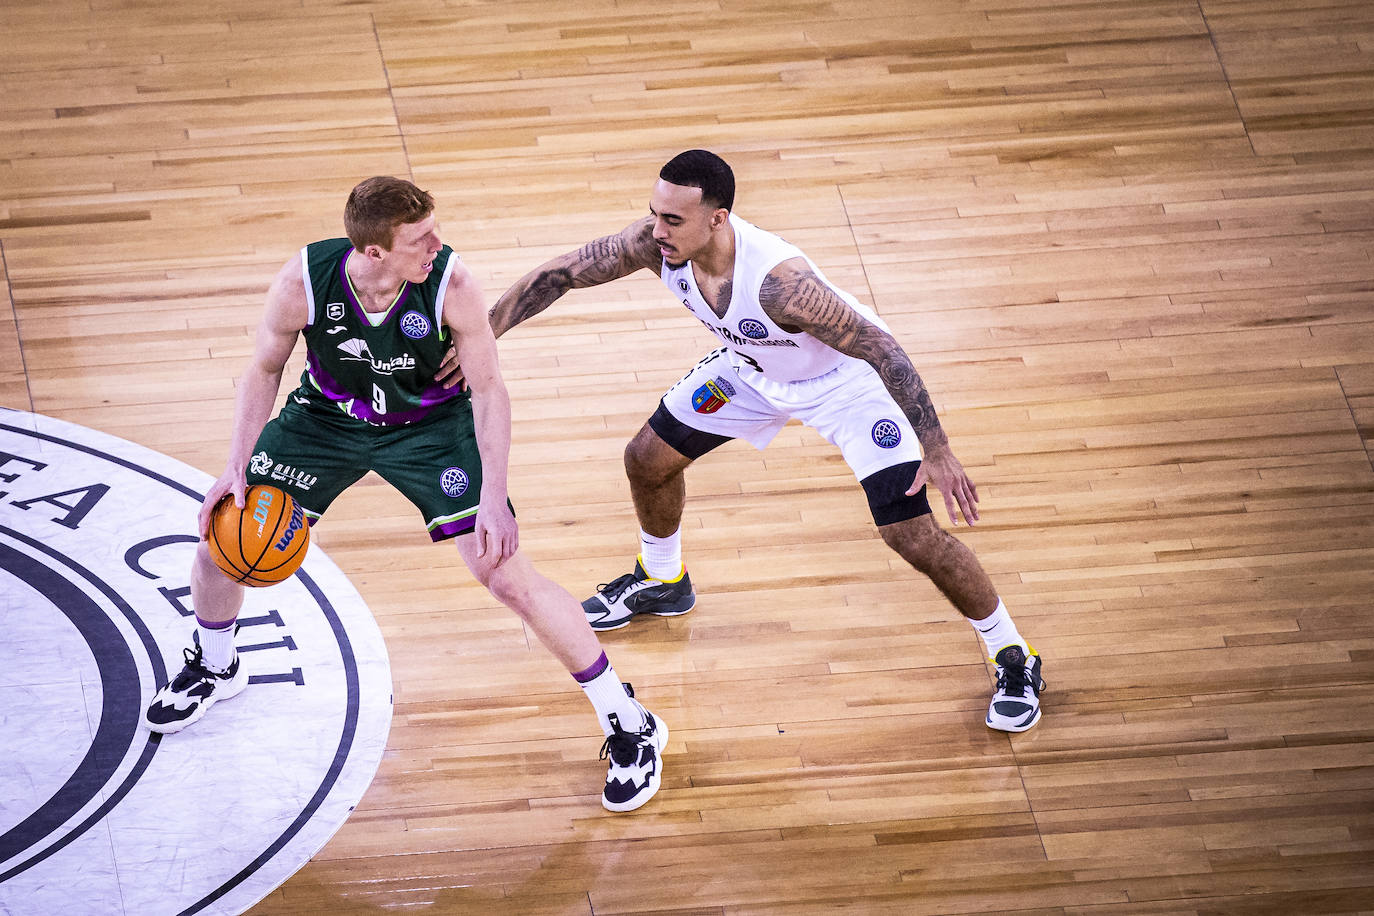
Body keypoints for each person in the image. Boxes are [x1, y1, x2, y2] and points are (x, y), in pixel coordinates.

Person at [143, 177, 667, 812]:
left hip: (432, 429)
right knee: (221, 539)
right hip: (326, 422)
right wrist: (235, 468)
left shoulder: (453, 283)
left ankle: (630, 720)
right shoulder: (303, 281)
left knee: (507, 578)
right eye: (420, 239)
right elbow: (264, 368)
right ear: (373, 254)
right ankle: (217, 663)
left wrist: (495, 496)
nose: (437, 244)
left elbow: (491, 390)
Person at [489, 150, 1045, 732]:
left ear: (718, 219)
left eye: (673, 221)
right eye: (654, 215)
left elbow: (882, 349)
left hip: (849, 387)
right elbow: (560, 274)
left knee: (911, 535)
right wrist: (485, 333)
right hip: (753, 370)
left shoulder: (782, 286)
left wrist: (937, 449)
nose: (658, 232)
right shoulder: (654, 247)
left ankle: (1013, 654)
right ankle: (662, 580)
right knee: (647, 459)